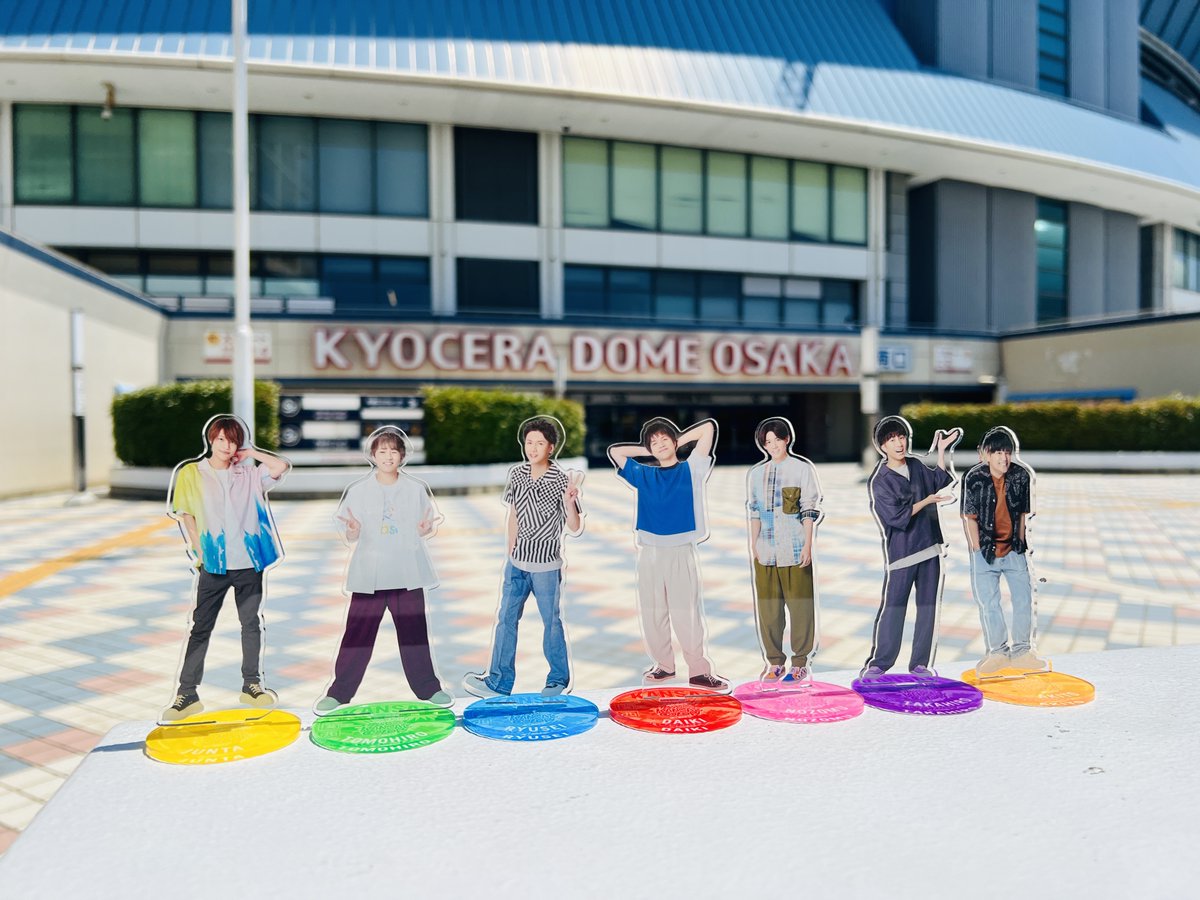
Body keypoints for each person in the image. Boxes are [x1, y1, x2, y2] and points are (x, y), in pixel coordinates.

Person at [315, 426, 451, 713]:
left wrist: (425, 529)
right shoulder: (358, 491)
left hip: (407, 573)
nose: (388, 456)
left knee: (415, 633)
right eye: (382, 451)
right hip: (370, 575)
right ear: (373, 455)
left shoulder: (415, 489)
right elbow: (349, 532)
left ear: (402, 455)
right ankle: (339, 692)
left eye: (393, 451)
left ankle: (429, 688)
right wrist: (353, 529)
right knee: (357, 635)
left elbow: (425, 526)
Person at [163, 415, 289, 721]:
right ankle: (187, 693)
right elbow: (188, 516)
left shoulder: (248, 473)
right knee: (201, 628)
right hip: (214, 564)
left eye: (232, 440)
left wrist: (252, 453)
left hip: (248, 562)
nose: (226, 446)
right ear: (211, 439)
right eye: (221, 439)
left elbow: (280, 467)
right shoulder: (192, 473)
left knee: (250, 624)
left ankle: (252, 685)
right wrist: (200, 553)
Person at [463, 417, 583, 699]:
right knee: (506, 620)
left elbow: (575, 525)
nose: (533, 448)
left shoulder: (561, 479)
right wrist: (511, 551)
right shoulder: (517, 474)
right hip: (517, 563)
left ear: (551, 447)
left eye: (540, 443)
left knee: (551, 623)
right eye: (529, 442)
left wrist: (569, 500)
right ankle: (498, 683)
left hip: (546, 566)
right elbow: (514, 514)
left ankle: (558, 679)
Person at [608, 417, 727, 692]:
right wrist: (650, 449)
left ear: (674, 441)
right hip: (649, 551)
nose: (659, 444)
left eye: (664, 439)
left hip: (680, 550)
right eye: (654, 441)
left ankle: (699, 671)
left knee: (686, 613)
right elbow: (616, 452)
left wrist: (675, 441)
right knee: (653, 613)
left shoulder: (692, 468)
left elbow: (707, 429)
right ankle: (664, 666)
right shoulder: (644, 474)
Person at [861, 416, 961, 680]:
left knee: (927, 608)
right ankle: (880, 663)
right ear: (882, 446)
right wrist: (926, 501)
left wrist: (942, 450)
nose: (899, 443)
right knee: (894, 608)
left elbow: (937, 480)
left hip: (929, 548)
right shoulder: (880, 480)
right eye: (892, 439)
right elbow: (896, 518)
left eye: (902, 437)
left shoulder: (915, 464)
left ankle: (919, 664)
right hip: (903, 553)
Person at [961, 426, 1047, 675]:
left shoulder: (1021, 475)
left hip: (1014, 550)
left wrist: (1020, 544)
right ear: (986, 455)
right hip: (985, 551)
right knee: (989, 604)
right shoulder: (973, 477)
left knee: (1023, 600)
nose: (1004, 457)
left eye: (1007, 452)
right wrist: (976, 550)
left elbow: (1021, 515)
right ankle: (997, 653)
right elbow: (969, 517)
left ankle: (1022, 652)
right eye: (998, 452)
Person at [747, 418, 823, 683]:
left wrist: (808, 545)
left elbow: (809, 508)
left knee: (801, 608)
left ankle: (800, 663)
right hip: (766, 551)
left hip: (794, 548)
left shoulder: (801, 469)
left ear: (787, 439)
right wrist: (753, 544)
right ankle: (775, 662)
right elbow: (754, 511)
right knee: (769, 610)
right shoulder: (756, 474)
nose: (773, 446)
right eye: (767, 442)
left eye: (777, 440)